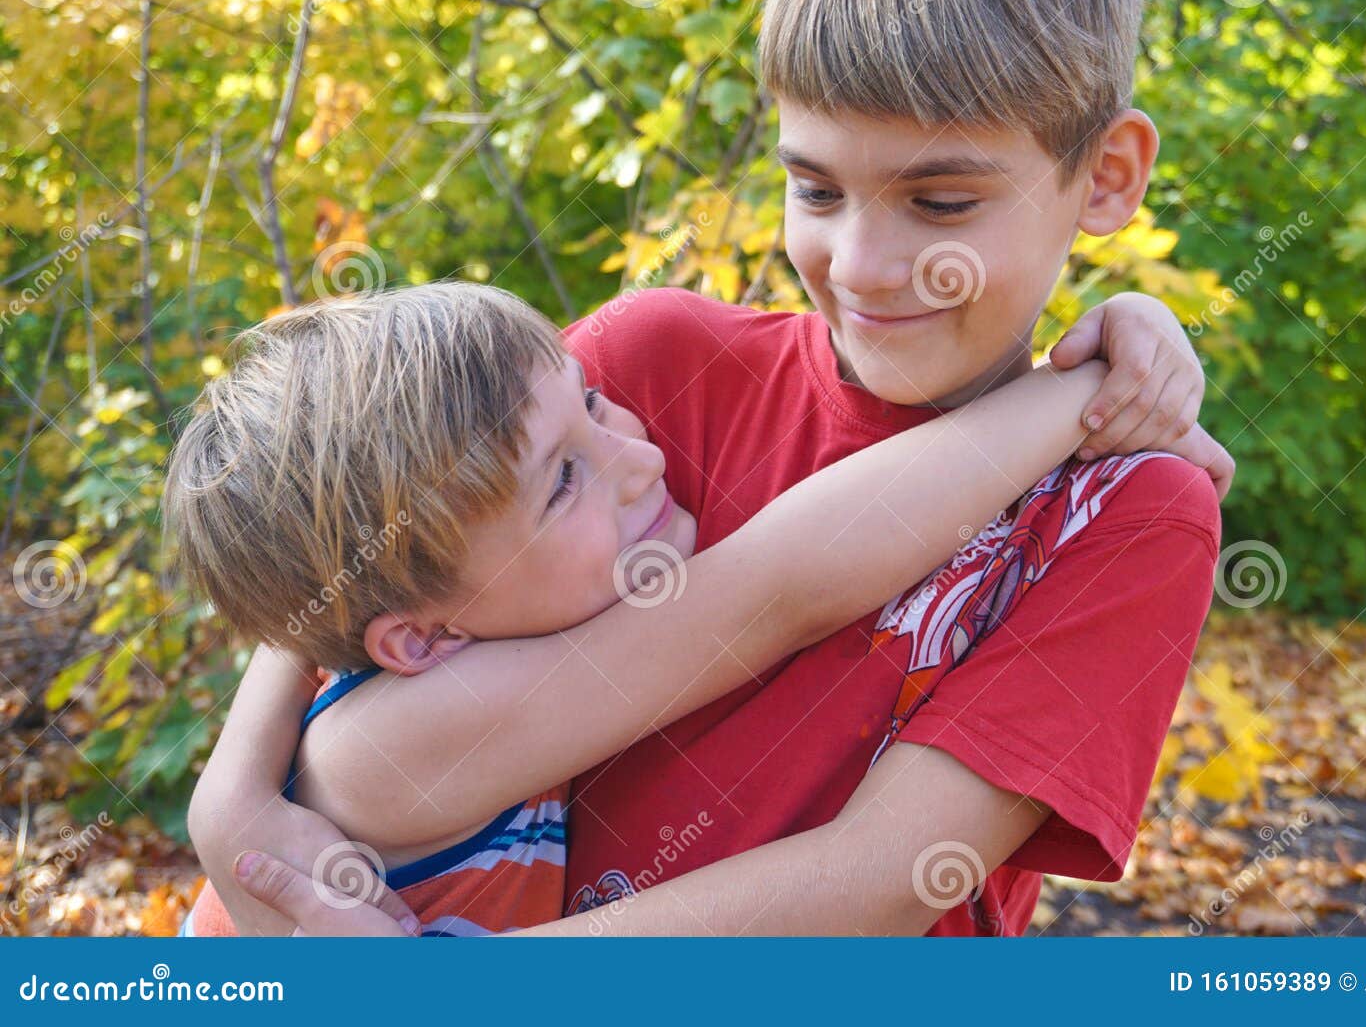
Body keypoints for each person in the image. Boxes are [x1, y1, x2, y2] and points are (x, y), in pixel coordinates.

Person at [189, 0, 1229, 936]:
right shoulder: (644, 370)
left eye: (940, 201)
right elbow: (357, 533)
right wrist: (228, 799)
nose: (860, 265)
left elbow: (890, 874)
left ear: (1107, 177)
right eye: (815, 189)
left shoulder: (1130, 510)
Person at [168, 281, 1122, 936]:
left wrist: (227, 794)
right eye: (563, 482)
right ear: (418, 638)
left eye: (593, 401)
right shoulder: (400, 744)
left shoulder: (416, 646)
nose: (639, 455)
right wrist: (1092, 387)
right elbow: (783, 584)